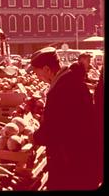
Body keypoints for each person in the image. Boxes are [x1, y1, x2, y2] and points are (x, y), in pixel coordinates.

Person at [30, 47, 99, 190]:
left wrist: (35, 137)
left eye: (38, 74)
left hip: (71, 162)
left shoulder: (61, 89)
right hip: (82, 158)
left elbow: (53, 131)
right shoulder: (71, 79)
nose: (38, 78)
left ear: (47, 69)